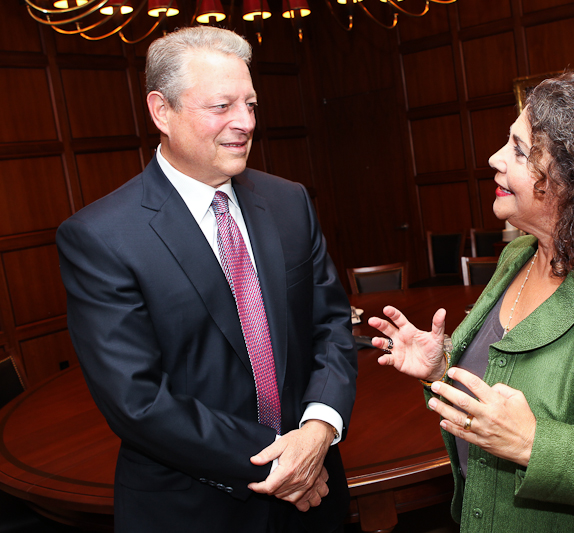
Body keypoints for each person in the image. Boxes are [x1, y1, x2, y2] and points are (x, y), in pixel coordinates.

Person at [369, 71, 574, 532]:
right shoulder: (518, 255)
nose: (493, 158)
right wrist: (441, 367)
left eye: (519, 150)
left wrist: (534, 444)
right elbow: (505, 389)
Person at [56, 27, 358, 533]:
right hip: (192, 507)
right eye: (222, 106)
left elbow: (330, 326)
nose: (244, 123)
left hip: (316, 493)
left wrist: (320, 428)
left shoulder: (289, 203)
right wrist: (284, 464)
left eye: (251, 104)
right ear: (161, 111)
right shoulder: (100, 237)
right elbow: (138, 399)